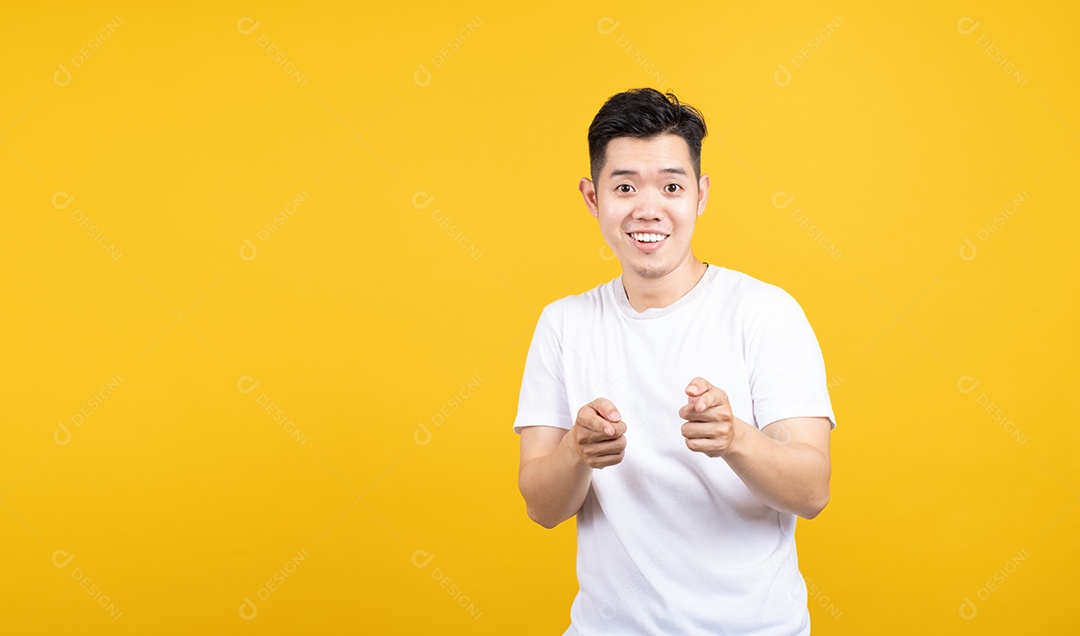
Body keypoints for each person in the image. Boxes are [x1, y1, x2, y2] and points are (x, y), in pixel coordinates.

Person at [514, 88, 837, 635]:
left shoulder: (764, 312)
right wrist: (577, 450)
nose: (648, 208)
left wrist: (735, 437)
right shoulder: (563, 324)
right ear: (592, 198)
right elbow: (542, 508)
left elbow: (812, 491)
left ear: (700, 195)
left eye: (671, 185)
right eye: (624, 187)